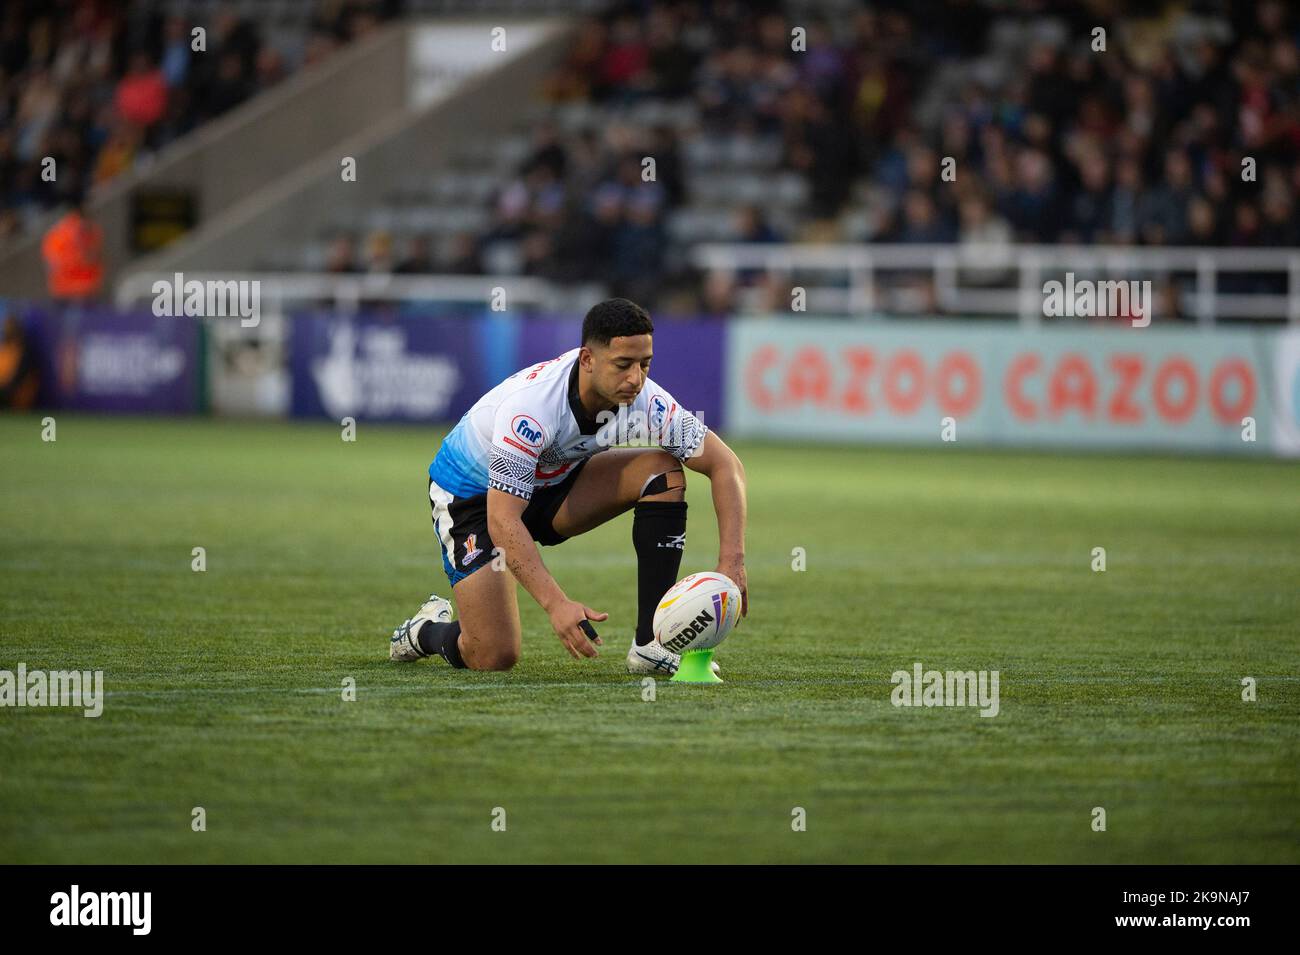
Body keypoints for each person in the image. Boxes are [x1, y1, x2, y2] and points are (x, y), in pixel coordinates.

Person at [390, 298, 748, 675]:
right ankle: (425, 631)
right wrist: (556, 604)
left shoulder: (646, 400)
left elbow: (726, 465)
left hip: (553, 484)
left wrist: (732, 563)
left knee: (662, 472)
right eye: (623, 365)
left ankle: (651, 645)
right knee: (493, 655)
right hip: (473, 499)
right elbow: (502, 520)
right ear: (587, 360)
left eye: (645, 364)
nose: (636, 379)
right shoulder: (532, 407)